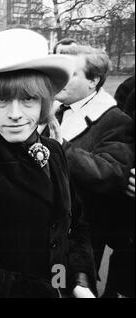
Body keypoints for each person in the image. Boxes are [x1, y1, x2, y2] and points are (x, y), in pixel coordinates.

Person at [0, 29, 96, 298]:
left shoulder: (54, 150)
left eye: (28, 98)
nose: (15, 114)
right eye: (2, 99)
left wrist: (78, 281)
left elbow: (74, 226)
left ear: (43, 102)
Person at [46, 45, 135, 297]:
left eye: (70, 73)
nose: (59, 79)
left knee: (69, 289)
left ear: (93, 81)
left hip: (81, 236)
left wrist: (61, 147)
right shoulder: (52, 110)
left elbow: (112, 174)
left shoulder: (115, 120)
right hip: (41, 225)